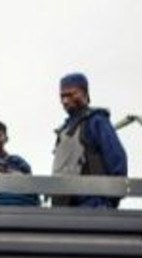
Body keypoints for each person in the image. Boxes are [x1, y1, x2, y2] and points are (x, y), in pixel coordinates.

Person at [51, 72, 127, 208]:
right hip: (65, 207)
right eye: (62, 96)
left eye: (71, 94)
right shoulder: (63, 131)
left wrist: (111, 199)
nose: (65, 101)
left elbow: (116, 158)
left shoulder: (96, 121)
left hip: (93, 203)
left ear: (85, 93)